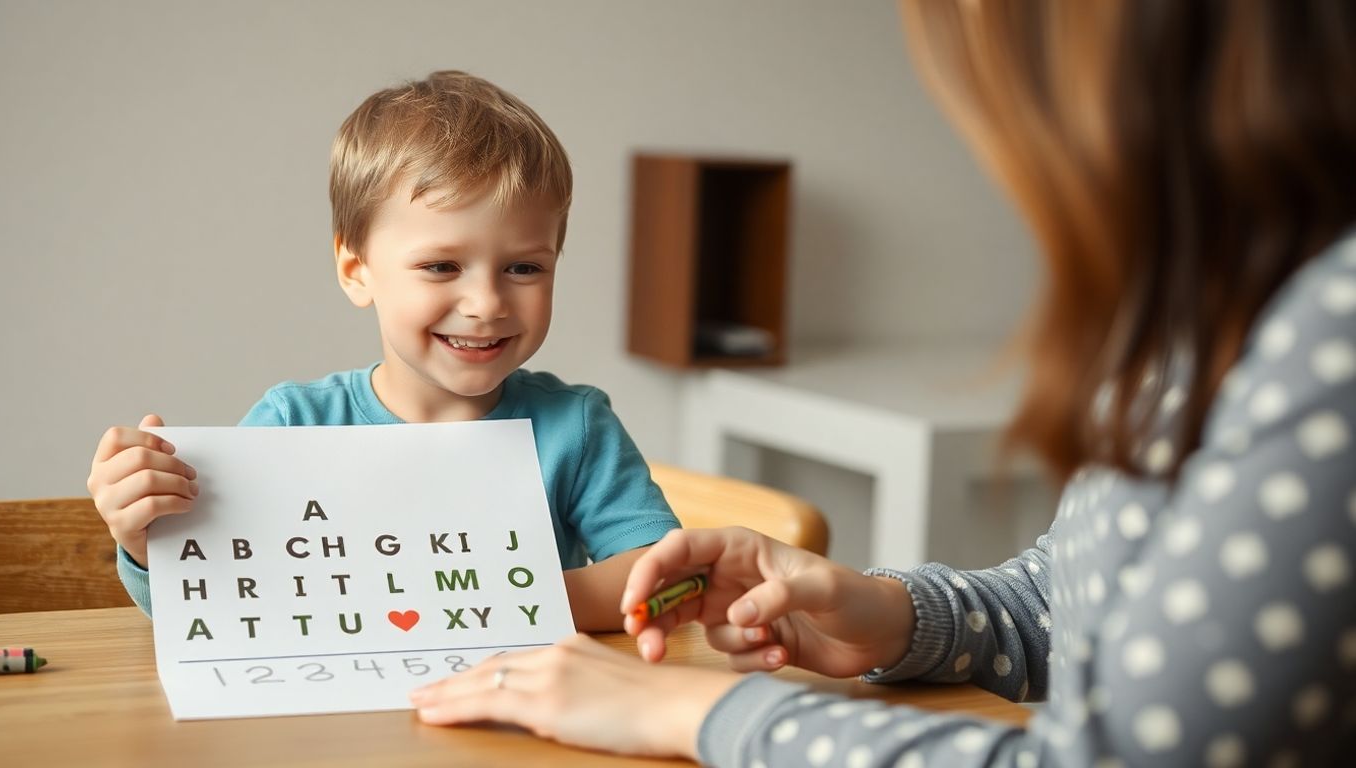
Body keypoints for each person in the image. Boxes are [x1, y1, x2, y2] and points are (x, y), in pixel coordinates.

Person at [408, 1, 1356, 765]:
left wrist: (701, 713)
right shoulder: (1200, 309)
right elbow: (1066, 609)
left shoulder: (1331, 330)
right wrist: (887, 616)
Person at [84, 70, 680, 632]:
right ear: (356, 271)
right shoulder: (294, 424)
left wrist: (499, 598)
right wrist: (143, 540)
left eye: (524, 267)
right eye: (441, 266)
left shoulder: (575, 427)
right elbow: (212, 603)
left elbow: (667, 577)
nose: (486, 302)